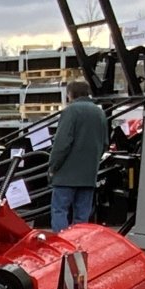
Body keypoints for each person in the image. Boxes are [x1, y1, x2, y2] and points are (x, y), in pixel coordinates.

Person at [49, 79, 108, 230]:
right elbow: (105, 144)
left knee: (60, 210)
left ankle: (62, 245)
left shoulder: (70, 111)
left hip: (66, 175)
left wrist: (53, 167)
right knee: (82, 216)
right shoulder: (99, 113)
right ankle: (79, 246)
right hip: (88, 175)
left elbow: (62, 144)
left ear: (70, 94)